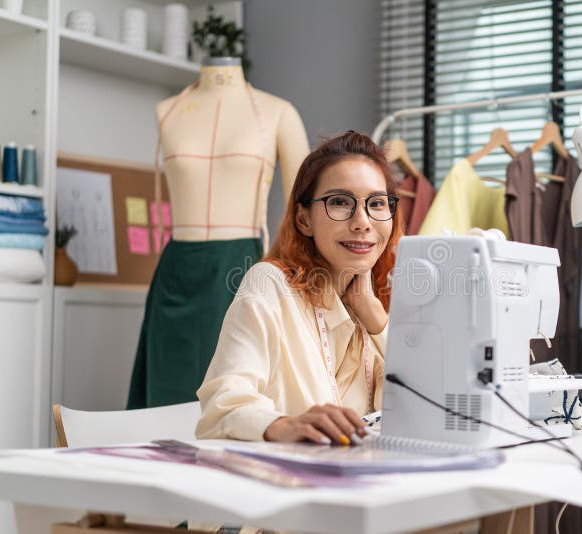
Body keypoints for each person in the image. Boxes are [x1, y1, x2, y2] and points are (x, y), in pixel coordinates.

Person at [196, 131, 404, 444]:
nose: (362, 222)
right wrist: (285, 425)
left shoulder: (379, 300)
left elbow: (425, 405)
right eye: (339, 202)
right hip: (283, 484)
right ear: (304, 219)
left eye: (376, 203)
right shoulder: (270, 284)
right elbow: (223, 406)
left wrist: (377, 322)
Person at [126, 57, 309, 410]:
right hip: (176, 274)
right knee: (164, 403)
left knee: (235, 401)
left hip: (242, 270)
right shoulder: (168, 110)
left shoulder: (278, 113)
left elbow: (304, 213)